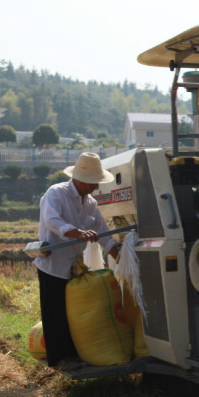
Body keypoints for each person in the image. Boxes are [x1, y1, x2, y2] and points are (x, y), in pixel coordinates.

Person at [33, 152, 119, 369]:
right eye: (93, 182)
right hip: (53, 265)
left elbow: (104, 234)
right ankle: (58, 359)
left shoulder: (91, 203)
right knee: (55, 313)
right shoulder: (56, 193)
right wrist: (79, 233)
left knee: (73, 313)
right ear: (79, 179)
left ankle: (73, 354)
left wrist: (119, 257)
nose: (96, 187)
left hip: (74, 267)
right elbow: (52, 222)